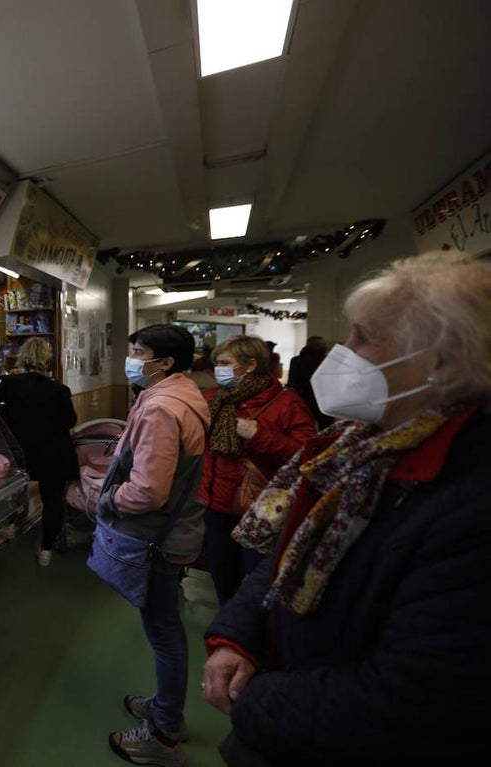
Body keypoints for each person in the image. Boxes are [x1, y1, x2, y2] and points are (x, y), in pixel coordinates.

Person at [202, 250, 491, 765]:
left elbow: (412, 699)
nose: (344, 351)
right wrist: (238, 636)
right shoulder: (358, 442)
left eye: (364, 337)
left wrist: (258, 699)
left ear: (441, 362)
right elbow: (293, 548)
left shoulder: (468, 499)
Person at [96, 324, 210, 767]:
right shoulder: (179, 395)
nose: (131, 359)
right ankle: (167, 708)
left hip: (159, 537)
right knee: (166, 627)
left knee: (163, 631)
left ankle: (163, 734)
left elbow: (147, 491)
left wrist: (105, 500)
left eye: (138, 352)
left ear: (164, 363)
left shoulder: (162, 408)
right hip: (173, 531)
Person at [198, 336, 317, 605]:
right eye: (217, 362)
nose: (219, 368)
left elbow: (307, 454)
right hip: (217, 504)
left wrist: (258, 434)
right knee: (222, 575)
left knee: (258, 581)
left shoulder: (287, 403)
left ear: (250, 364)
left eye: (225, 363)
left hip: (261, 507)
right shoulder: (214, 398)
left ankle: (255, 639)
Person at [0, 337, 78, 566]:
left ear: (23, 357)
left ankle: (9, 525)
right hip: (53, 453)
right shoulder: (59, 390)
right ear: (47, 359)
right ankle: (46, 550)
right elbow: (70, 421)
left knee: (12, 487)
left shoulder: (6, 386)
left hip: (20, 452)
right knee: (52, 500)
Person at [286, 336, 332, 429]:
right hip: (319, 399)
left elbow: (291, 382)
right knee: (324, 427)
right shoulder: (326, 360)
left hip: (304, 398)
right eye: (322, 345)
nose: (325, 347)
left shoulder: (296, 360)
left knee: (304, 426)